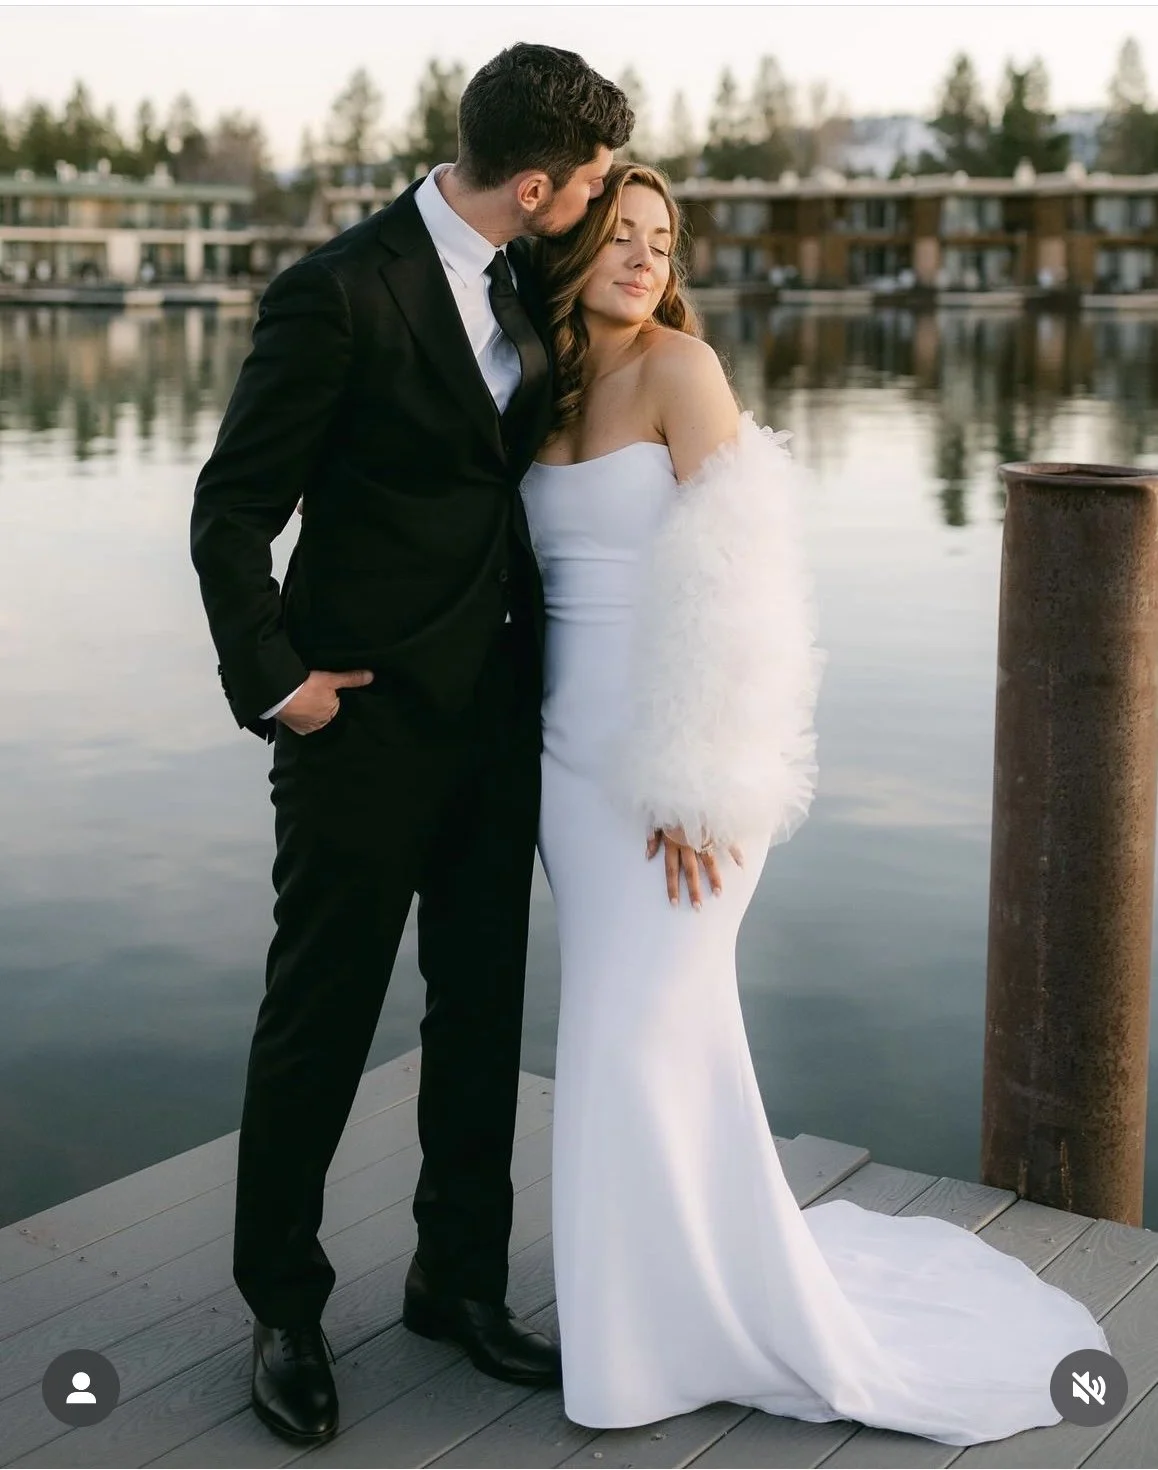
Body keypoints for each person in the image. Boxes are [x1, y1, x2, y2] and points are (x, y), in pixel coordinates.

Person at [520, 161, 1114, 1446]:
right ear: (570, 244)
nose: (644, 257)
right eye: (620, 234)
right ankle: (654, 1309)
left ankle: (662, 1334)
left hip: (680, 773)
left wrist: (700, 780)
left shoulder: (682, 371)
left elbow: (749, 591)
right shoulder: (540, 385)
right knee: (635, 1037)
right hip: (570, 769)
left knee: (632, 1032)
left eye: (661, 238)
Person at [189, 44, 632, 1447]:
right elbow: (230, 511)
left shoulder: (528, 277)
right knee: (318, 1017)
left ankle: (456, 1281)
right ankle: (283, 1307)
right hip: (361, 723)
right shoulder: (334, 292)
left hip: (499, 721)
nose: (598, 204)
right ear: (534, 184)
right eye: (591, 184)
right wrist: (280, 685)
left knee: (481, 1011)